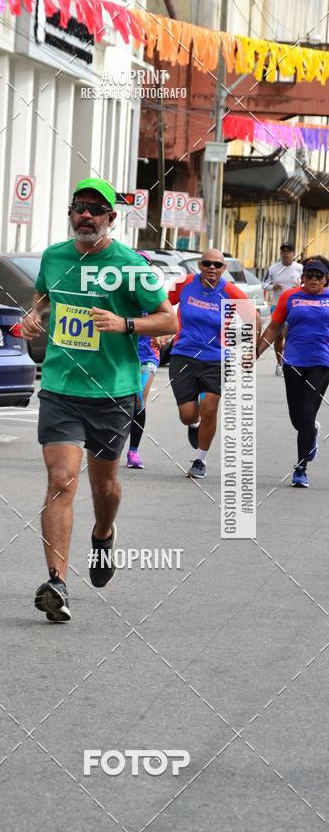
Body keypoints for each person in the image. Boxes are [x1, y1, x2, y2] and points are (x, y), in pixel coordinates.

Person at [21, 177, 177, 622]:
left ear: (111, 218)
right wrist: (34, 317)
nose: (85, 215)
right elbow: (44, 301)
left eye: (95, 209)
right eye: (79, 207)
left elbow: (168, 321)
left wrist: (125, 324)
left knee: (103, 486)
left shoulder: (131, 265)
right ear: (71, 214)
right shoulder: (54, 257)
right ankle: (56, 581)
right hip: (60, 388)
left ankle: (104, 532)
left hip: (111, 392)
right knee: (61, 479)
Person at [168, 249, 259, 480]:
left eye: (217, 265)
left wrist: (249, 349)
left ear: (223, 269)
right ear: (199, 265)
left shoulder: (229, 291)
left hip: (216, 358)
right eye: (207, 263)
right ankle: (194, 423)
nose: (212, 268)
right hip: (183, 354)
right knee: (187, 414)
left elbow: (253, 316)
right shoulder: (185, 283)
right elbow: (162, 304)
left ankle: (200, 460)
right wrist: (159, 332)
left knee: (210, 407)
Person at [257, 256, 329, 488]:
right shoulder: (290, 297)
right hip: (293, 362)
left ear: (326, 279)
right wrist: (256, 353)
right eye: (310, 275)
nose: (314, 279)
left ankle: (300, 468)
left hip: (321, 363)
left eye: (319, 276)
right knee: (297, 419)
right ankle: (311, 433)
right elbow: (274, 327)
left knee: (307, 413)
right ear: (302, 278)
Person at [262, 243, 302, 376]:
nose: (286, 254)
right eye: (283, 251)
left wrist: (299, 287)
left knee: (291, 335)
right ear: (280, 254)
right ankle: (279, 364)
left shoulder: (300, 268)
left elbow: (305, 284)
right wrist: (273, 287)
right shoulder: (273, 268)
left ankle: (288, 362)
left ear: (293, 253)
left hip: (295, 306)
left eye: (289, 251)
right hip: (277, 305)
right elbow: (264, 283)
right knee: (279, 336)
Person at [126, 334, 163, 469]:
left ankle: (133, 451)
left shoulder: (151, 311)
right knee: (117, 401)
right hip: (121, 356)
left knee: (139, 400)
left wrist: (162, 335)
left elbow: (170, 322)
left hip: (147, 356)